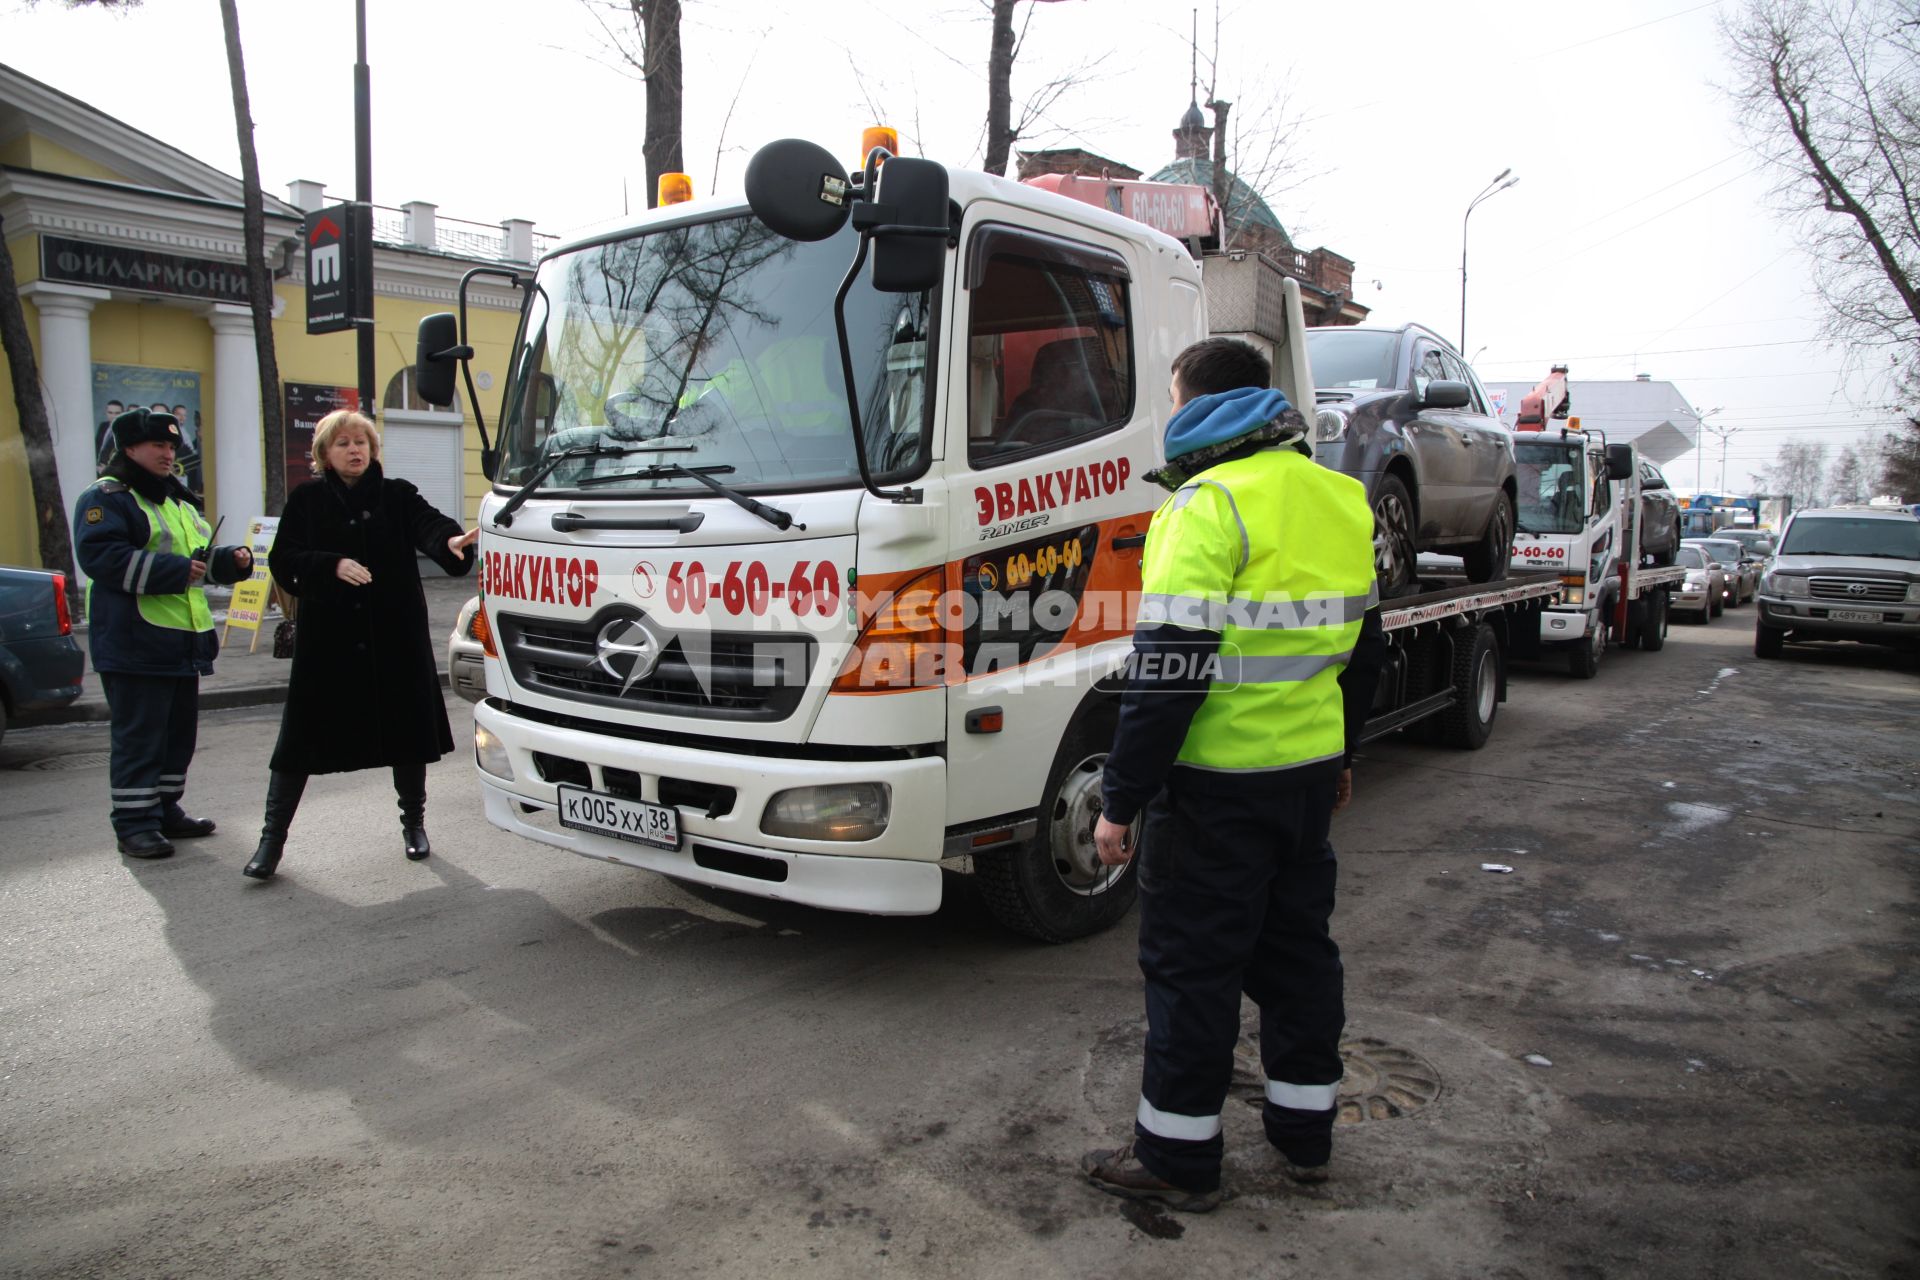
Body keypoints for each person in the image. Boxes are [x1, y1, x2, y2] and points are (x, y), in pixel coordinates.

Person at [1080, 338, 1387, 1212]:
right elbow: (1365, 652)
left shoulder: (1205, 504)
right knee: (1298, 961)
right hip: (1302, 784)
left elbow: (1168, 671)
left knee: (1193, 971)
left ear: (1192, 405)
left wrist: (1121, 801)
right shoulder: (1342, 499)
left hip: (1215, 790)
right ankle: (1305, 1137)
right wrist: (1342, 757)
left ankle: (1178, 1159)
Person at [244, 409, 478, 880]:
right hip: (328, 646)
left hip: (394, 637)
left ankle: (414, 824)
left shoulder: (397, 494)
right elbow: (283, 556)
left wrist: (450, 541)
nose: (355, 450)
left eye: (362, 442)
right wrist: (330, 564)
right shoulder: (308, 499)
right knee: (297, 744)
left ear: (373, 451)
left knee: (407, 737)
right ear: (325, 455)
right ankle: (271, 842)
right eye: (343, 443)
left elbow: (430, 525)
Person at [74, 408, 253, 858]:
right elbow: (101, 556)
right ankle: (134, 824)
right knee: (140, 738)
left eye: (172, 447)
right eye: (158, 446)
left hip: (181, 640)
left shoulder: (176, 499)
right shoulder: (108, 497)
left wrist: (231, 561)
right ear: (129, 448)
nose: (168, 454)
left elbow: (197, 560)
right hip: (135, 642)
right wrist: (177, 570)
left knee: (177, 736)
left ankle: (165, 810)